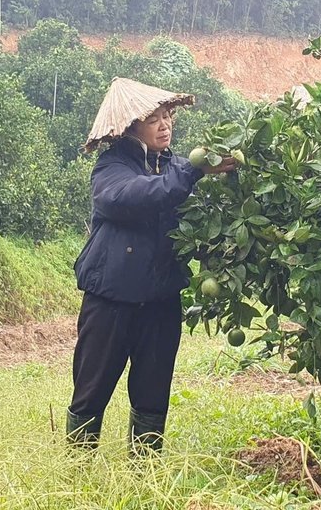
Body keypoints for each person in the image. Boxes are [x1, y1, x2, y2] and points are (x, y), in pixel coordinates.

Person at [65, 77, 235, 451]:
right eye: (153, 119)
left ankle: (144, 472)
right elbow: (133, 196)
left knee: (153, 394)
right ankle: (77, 467)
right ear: (131, 127)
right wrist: (193, 171)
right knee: (91, 390)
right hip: (111, 298)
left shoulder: (176, 166)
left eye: (167, 116)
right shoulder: (111, 167)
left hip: (160, 299)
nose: (165, 125)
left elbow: (202, 214)